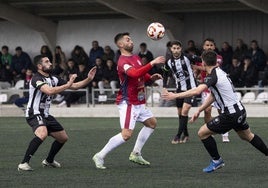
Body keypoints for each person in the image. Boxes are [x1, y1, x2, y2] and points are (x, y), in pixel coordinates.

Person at [162, 50, 268, 173]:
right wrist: (200, 110)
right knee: (247, 136)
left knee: (202, 133)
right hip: (240, 110)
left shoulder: (213, 76)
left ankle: (217, 160)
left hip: (230, 114)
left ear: (203, 62)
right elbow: (213, 95)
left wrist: (174, 96)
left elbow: (197, 91)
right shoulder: (219, 72)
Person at [92, 32, 165, 169]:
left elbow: (141, 73)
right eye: (127, 40)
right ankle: (100, 155)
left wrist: (150, 77)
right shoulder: (122, 61)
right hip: (128, 102)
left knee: (151, 123)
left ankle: (136, 153)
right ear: (120, 44)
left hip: (139, 101)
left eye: (130, 39)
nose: (131, 41)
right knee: (126, 135)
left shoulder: (135, 57)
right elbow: (134, 73)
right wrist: (152, 63)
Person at [17, 55, 96, 171]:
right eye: (46, 62)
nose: (50, 63)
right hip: (34, 113)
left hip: (46, 115)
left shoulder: (54, 78)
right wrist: (67, 85)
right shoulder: (36, 78)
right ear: (39, 66)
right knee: (42, 134)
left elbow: (74, 86)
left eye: (49, 61)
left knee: (63, 138)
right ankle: (23, 163)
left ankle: (49, 161)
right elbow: (49, 91)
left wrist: (89, 79)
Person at [191, 38, 230, 143]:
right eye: (207, 45)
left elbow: (210, 68)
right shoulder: (201, 59)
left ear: (214, 47)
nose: (209, 47)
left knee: (221, 111)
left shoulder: (218, 58)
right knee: (207, 111)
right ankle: (210, 131)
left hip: (217, 87)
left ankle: (225, 133)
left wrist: (195, 66)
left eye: (211, 45)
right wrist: (196, 73)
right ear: (203, 47)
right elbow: (199, 72)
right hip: (206, 88)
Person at [162, 40, 197, 144]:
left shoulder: (188, 57)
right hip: (179, 90)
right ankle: (186, 134)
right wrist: (164, 87)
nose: (176, 50)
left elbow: (202, 60)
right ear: (171, 49)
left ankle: (177, 136)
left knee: (185, 111)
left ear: (181, 48)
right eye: (174, 48)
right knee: (180, 114)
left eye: (178, 48)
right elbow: (165, 74)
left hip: (191, 89)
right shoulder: (168, 62)